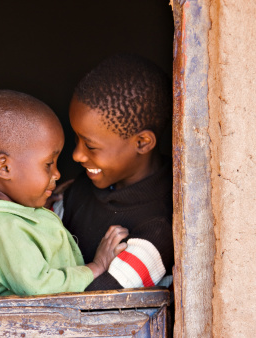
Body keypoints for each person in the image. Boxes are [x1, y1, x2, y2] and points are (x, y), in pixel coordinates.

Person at [0, 89, 128, 297]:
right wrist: (96, 267)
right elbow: (40, 287)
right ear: (5, 168)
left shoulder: (10, 216)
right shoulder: (1, 227)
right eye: (48, 164)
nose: (57, 173)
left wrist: (40, 207)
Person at [58, 54, 174, 291]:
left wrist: (97, 265)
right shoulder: (78, 190)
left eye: (90, 146)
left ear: (142, 142)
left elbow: (91, 306)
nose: (77, 155)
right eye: (76, 138)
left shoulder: (158, 228)